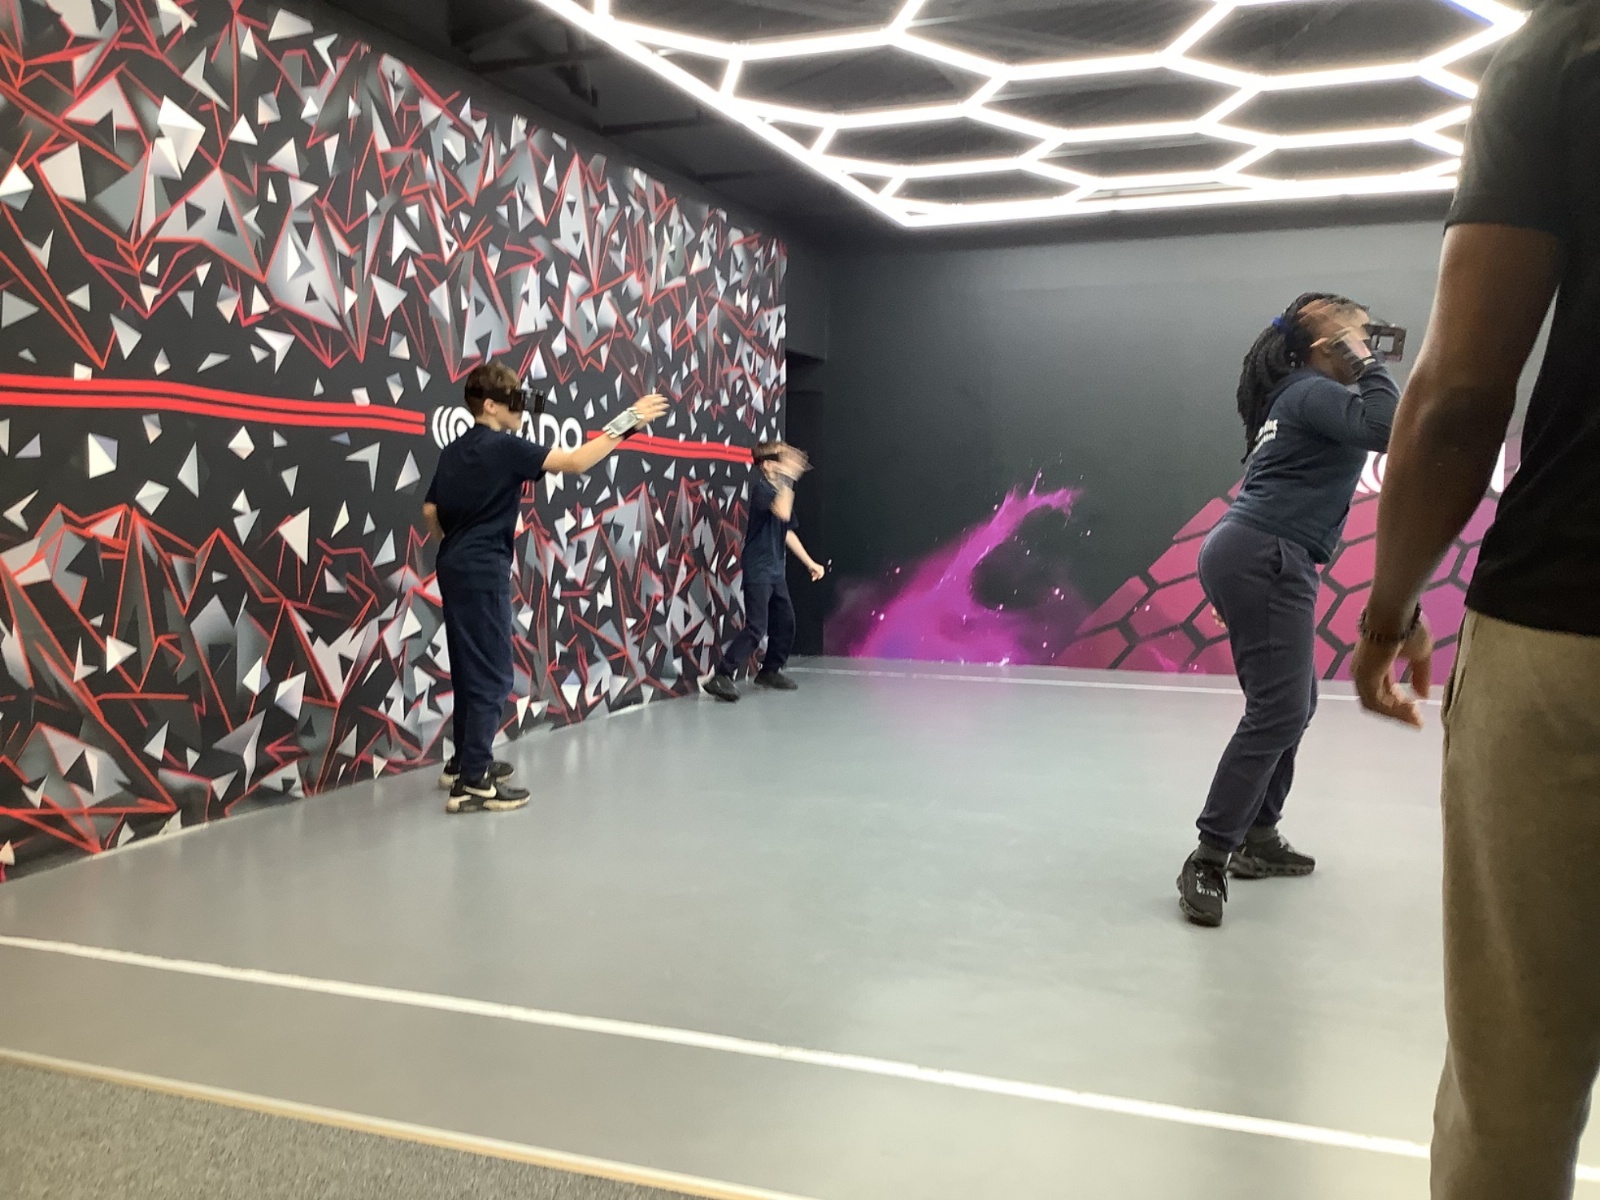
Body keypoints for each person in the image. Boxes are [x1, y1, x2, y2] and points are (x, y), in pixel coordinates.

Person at [1352, 5, 1600, 1196]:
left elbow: (1456, 396)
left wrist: (1386, 610)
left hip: (1567, 626)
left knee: (1512, 1085)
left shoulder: (1563, 49)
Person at [1177, 295, 1400, 927]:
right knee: (1278, 709)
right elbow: (1387, 428)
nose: (1370, 342)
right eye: (1359, 333)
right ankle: (1210, 856)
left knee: (1294, 703)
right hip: (1266, 553)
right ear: (1325, 346)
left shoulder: (1297, 396)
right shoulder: (1311, 391)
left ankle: (1259, 835)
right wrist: (1366, 364)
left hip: (1256, 552)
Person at [423, 362, 668, 813]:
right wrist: (630, 420)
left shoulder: (454, 450)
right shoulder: (503, 447)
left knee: (468, 669)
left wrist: (458, 544)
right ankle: (473, 783)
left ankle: (464, 762)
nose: (521, 408)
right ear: (490, 406)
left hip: (453, 565)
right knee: (493, 674)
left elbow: (430, 512)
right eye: (513, 400)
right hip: (483, 569)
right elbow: (576, 461)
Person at [703, 441, 826, 702]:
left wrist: (810, 563)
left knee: (786, 622)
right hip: (758, 569)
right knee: (756, 627)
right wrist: (788, 478)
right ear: (768, 465)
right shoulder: (763, 489)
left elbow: (787, 531)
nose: (789, 467)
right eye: (783, 462)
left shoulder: (779, 490)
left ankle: (769, 671)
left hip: (775, 571)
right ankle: (721, 675)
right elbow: (782, 511)